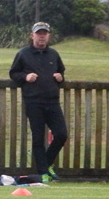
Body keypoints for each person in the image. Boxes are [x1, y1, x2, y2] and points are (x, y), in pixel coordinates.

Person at [9, 22, 68, 182]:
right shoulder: (23, 54)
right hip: (33, 101)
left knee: (61, 134)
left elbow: (61, 72)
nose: (42, 36)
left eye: (44, 33)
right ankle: (43, 173)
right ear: (32, 35)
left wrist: (60, 78)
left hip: (53, 101)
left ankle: (46, 164)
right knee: (38, 138)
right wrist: (25, 77)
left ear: (48, 36)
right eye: (39, 33)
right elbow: (13, 73)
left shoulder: (53, 54)